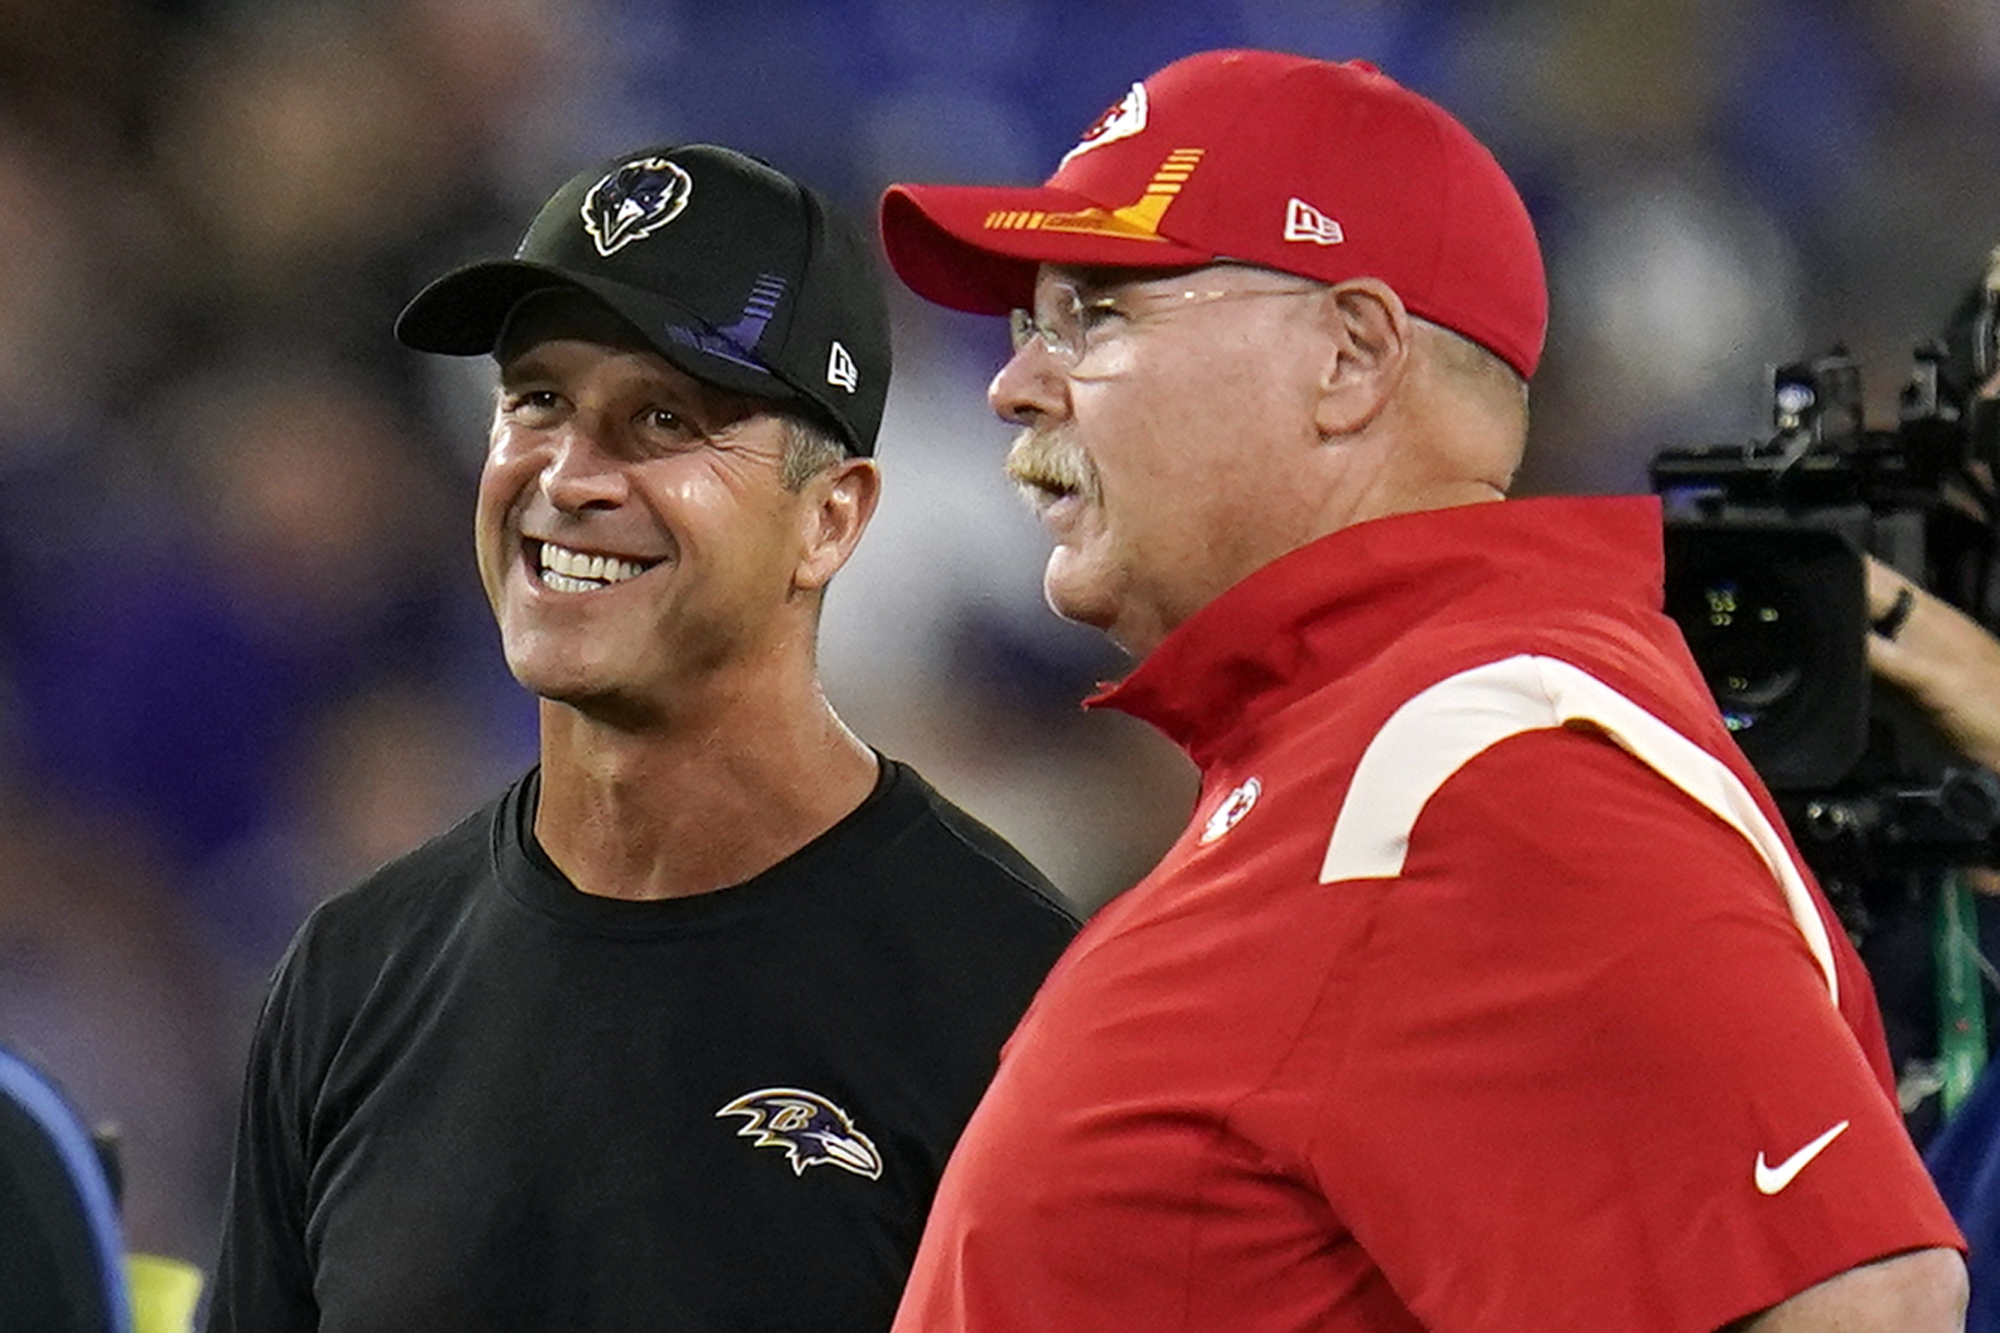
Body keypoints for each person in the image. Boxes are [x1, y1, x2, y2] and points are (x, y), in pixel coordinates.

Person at [875, 48, 1966, 1332]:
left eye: (1096, 315)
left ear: (1349, 356)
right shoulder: (1367, 755)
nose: (1014, 383)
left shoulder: (1485, 757)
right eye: (1025, 325)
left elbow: (1857, 1307)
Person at [204, 143, 1079, 1333]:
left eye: (663, 419)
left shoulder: (1007, 994)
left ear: (829, 519)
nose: (568, 477)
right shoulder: (353, 976)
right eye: (536, 401)